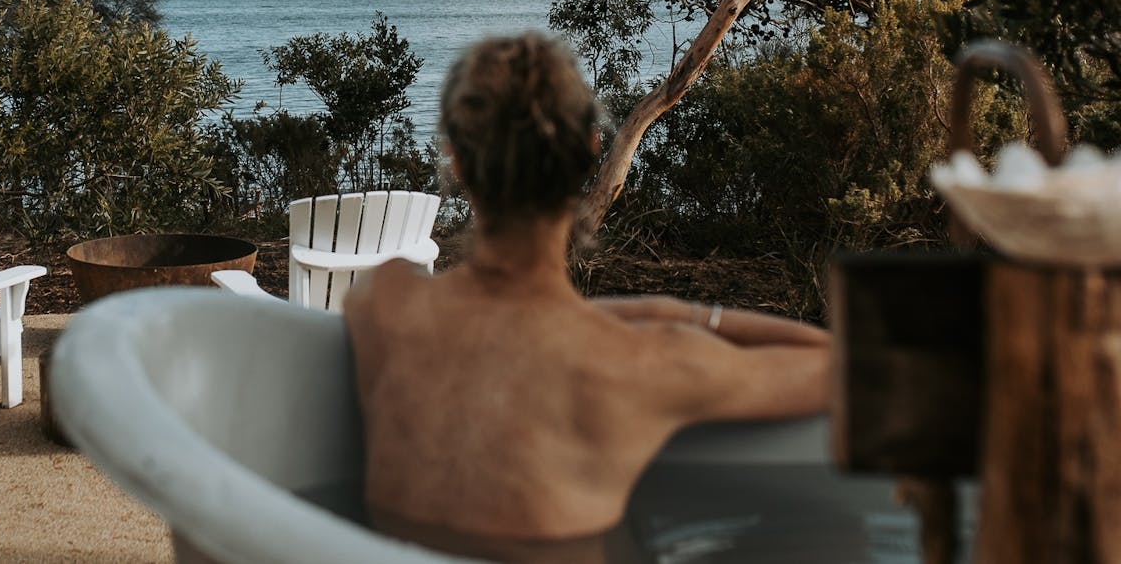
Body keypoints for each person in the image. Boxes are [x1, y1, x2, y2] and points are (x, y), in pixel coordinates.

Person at [343, 33, 830, 563]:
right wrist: (686, 315)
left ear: (456, 160)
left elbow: (513, 328)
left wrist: (646, 315)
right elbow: (845, 369)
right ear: (590, 151)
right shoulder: (645, 361)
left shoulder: (381, 300)